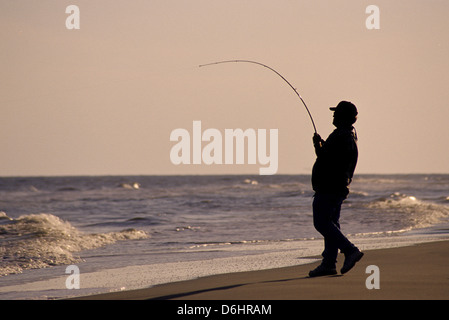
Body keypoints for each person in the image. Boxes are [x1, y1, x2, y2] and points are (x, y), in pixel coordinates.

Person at [308, 101, 363, 277]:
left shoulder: (342, 136)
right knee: (331, 223)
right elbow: (330, 158)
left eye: (336, 113)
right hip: (336, 187)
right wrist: (321, 146)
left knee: (322, 222)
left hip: (330, 187)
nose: (333, 116)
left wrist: (319, 147)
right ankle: (329, 263)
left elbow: (328, 161)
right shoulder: (346, 136)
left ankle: (350, 250)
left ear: (343, 117)